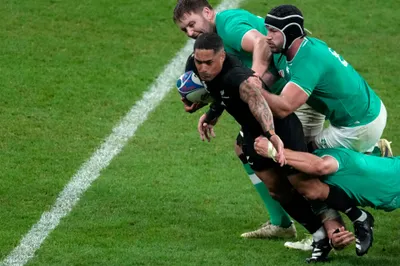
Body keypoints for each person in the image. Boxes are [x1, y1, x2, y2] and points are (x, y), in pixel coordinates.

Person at [173, 0, 325, 241]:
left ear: (207, 12)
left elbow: (260, 42)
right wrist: (213, 111)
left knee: (300, 170)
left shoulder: (229, 26)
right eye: (184, 30)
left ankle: (326, 231)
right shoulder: (214, 42)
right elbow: (231, 82)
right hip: (278, 96)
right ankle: (282, 223)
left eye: (192, 24)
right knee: (245, 148)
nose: (190, 32)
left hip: (293, 96)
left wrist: (253, 78)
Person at [190, 32, 337, 263]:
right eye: (199, 62)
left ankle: (356, 213)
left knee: (305, 185)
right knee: (277, 190)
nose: (203, 68)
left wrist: (271, 135)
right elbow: (216, 90)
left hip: (280, 128)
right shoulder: (197, 63)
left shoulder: (237, 76)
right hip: (250, 131)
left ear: (222, 57)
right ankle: (320, 235)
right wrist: (211, 112)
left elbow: (257, 101)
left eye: (209, 62)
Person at [260, 4, 392, 157]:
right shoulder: (287, 50)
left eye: (274, 31)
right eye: (267, 29)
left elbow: (284, 108)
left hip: (360, 125)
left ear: (290, 33)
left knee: (307, 160)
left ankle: (377, 152)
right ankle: (371, 150)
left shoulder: (308, 61)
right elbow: (270, 78)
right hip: (364, 109)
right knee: (297, 148)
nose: (267, 36)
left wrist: (255, 90)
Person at [254, 136, 400, 256]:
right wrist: (335, 239)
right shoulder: (316, 191)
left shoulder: (329, 157)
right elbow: (330, 218)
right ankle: (376, 152)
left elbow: (320, 166)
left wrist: (272, 151)